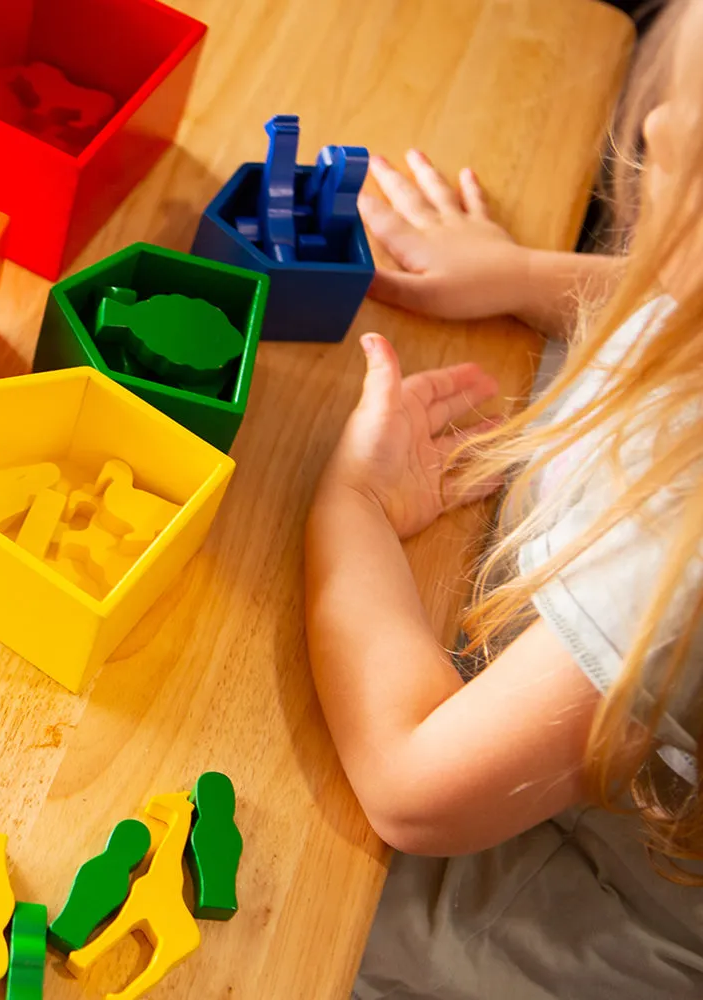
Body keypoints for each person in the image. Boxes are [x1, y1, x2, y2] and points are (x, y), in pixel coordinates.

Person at [304, 0, 703, 997]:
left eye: (668, 166)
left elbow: (411, 786)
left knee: (285, 911)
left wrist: (347, 508)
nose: (641, 175)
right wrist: (524, 275)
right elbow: (673, 303)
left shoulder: (675, 537)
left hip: (578, 902)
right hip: (563, 748)